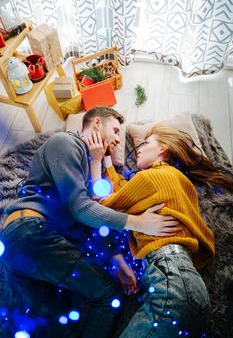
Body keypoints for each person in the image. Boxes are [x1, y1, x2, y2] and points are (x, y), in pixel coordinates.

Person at [0, 107, 181, 338]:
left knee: (41, 326)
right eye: (115, 130)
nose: (117, 139)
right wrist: (139, 223)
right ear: (96, 124)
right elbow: (81, 209)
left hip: (28, 249)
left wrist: (119, 264)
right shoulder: (65, 142)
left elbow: (91, 219)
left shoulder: (84, 169)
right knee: (108, 295)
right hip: (31, 231)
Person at [86, 123, 233, 338]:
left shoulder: (150, 178)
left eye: (145, 143)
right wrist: (108, 159)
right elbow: (122, 190)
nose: (139, 149)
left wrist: (97, 159)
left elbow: (97, 210)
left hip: (171, 284)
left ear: (163, 149)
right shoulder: (177, 181)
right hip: (186, 285)